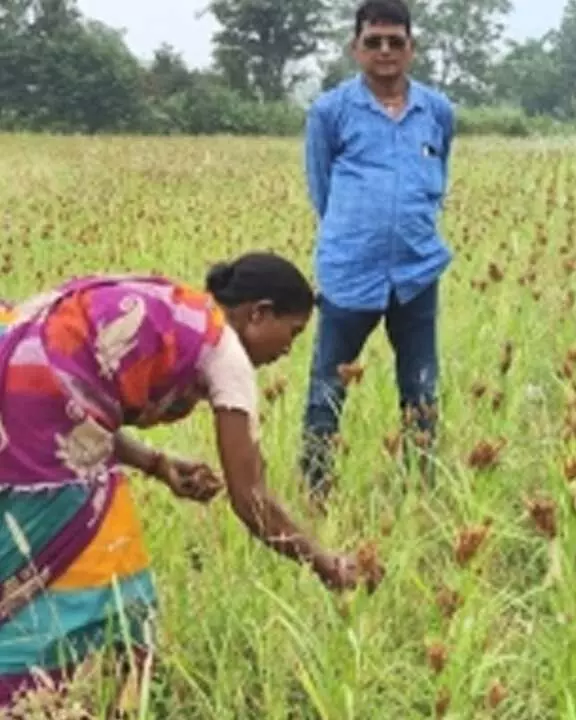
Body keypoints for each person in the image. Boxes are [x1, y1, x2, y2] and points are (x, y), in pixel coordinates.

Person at [0, 252, 385, 712]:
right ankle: (35, 699)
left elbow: (78, 404)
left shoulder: (180, 311)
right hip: (28, 425)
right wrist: (327, 564)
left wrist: (158, 465)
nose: (288, 350)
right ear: (258, 313)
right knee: (115, 591)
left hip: (16, 381)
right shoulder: (226, 352)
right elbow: (252, 500)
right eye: (292, 333)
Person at [300, 0, 456, 499]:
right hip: (350, 271)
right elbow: (321, 188)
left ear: (412, 48)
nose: (385, 51)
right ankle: (316, 491)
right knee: (328, 386)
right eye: (374, 41)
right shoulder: (330, 112)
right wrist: (356, 232)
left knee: (421, 387)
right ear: (355, 48)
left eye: (395, 41)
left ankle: (420, 490)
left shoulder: (437, 111)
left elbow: (439, 176)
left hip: (416, 270)